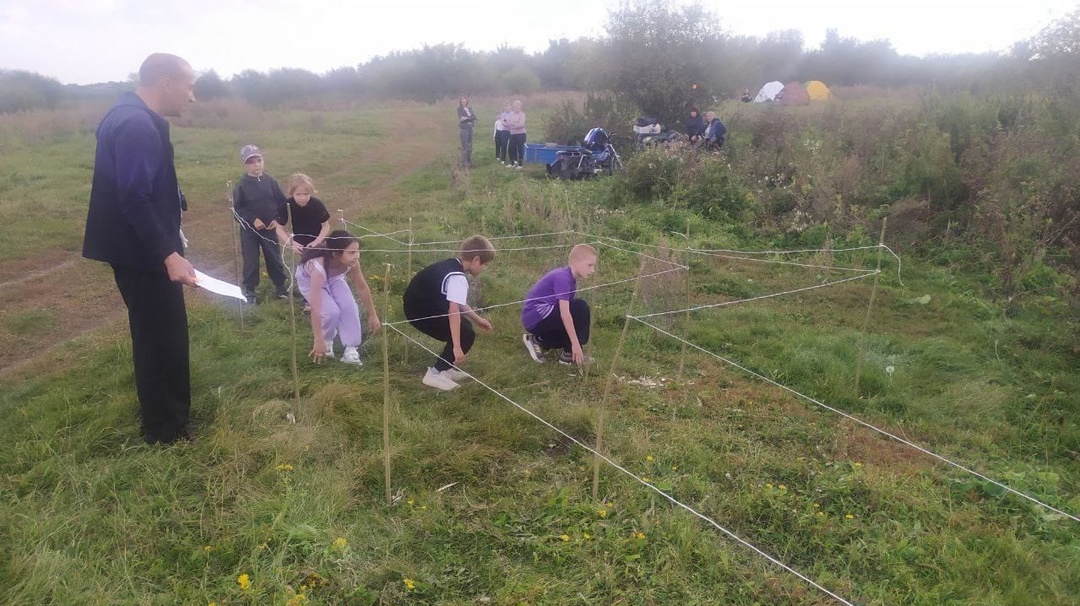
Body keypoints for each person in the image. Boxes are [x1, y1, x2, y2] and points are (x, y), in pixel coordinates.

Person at [83, 52, 197, 445]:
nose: (192, 96)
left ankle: (163, 415)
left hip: (134, 248)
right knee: (161, 337)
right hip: (144, 254)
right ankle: (165, 431)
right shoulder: (134, 124)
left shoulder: (126, 113)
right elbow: (134, 197)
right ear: (166, 82)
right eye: (189, 85)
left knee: (155, 333)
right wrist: (169, 253)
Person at [402, 235, 495, 390]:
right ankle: (435, 373)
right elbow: (453, 310)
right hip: (420, 313)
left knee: (464, 326)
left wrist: (478, 320)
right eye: (485, 264)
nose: (484, 268)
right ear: (476, 260)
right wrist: (457, 346)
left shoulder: (452, 265)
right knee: (466, 334)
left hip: (418, 306)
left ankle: (446, 368)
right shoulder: (458, 277)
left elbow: (458, 302)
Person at [296, 230, 380, 365]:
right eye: (352, 252)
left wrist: (372, 314)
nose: (357, 256)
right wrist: (319, 339)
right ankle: (326, 341)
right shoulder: (317, 267)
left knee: (349, 307)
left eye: (357, 251)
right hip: (310, 280)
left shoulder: (352, 264)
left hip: (334, 277)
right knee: (330, 312)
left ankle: (351, 349)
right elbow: (316, 308)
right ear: (335, 254)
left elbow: (362, 287)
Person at [521, 244, 597, 366]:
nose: (592, 270)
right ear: (575, 262)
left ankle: (540, 341)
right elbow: (565, 314)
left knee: (576, 316)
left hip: (543, 317)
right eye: (589, 265)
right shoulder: (563, 278)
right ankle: (571, 352)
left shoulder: (570, 280)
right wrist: (576, 343)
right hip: (537, 316)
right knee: (580, 308)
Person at [233, 144, 289, 303]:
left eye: (259, 160)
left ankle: (280, 287)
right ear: (245, 165)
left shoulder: (271, 181)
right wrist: (252, 220)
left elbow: (282, 203)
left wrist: (277, 220)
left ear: (263, 160)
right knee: (251, 260)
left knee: (274, 257)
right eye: (251, 162)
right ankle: (249, 290)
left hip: (269, 229)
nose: (256, 164)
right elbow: (237, 209)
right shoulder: (242, 185)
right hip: (249, 232)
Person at [457, 95, 477, 168]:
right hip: (464, 128)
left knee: (470, 145)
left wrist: (467, 118)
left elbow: (474, 117)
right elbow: (461, 119)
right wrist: (470, 118)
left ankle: (469, 161)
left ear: (467, 101)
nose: (463, 101)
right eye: (462, 100)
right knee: (464, 146)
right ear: (460, 101)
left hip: (470, 128)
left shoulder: (469, 108)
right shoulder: (459, 109)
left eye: (464, 99)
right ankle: (464, 163)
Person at [505, 99, 526, 170]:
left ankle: (520, 164)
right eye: (515, 106)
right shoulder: (511, 114)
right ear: (513, 107)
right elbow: (508, 123)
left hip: (521, 134)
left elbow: (521, 125)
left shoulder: (522, 114)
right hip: (513, 134)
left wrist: (513, 124)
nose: (516, 108)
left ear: (520, 107)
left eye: (518, 106)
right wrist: (515, 124)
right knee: (511, 148)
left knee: (520, 148)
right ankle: (512, 163)